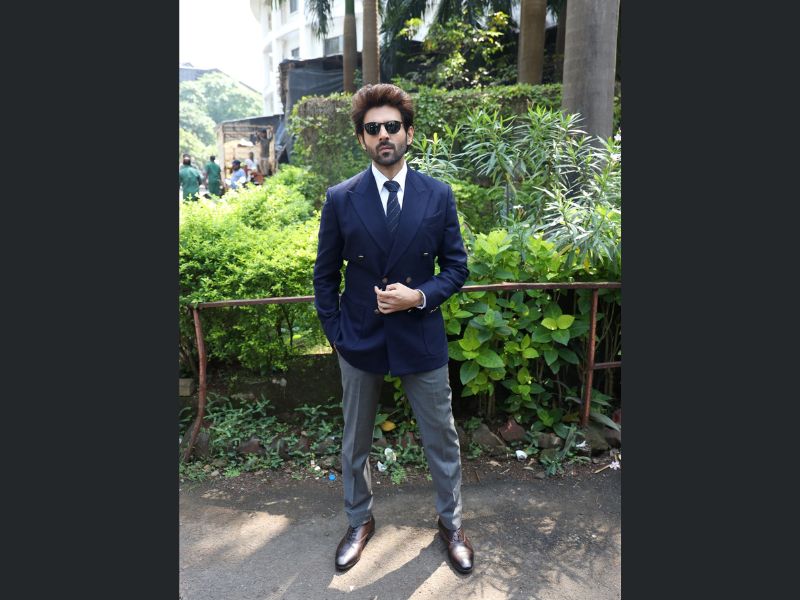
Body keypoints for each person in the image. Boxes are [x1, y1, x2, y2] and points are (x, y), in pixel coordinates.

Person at [312, 83, 473, 574]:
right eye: (373, 128)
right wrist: (337, 334)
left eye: (392, 126)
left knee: (441, 437)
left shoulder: (437, 194)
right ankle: (359, 521)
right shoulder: (341, 198)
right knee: (355, 441)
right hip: (360, 337)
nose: (383, 134)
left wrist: (418, 296)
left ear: (409, 133)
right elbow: (324, 275)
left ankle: (451, 525)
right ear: (362, 138)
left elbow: (456, 268)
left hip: (419, 333)